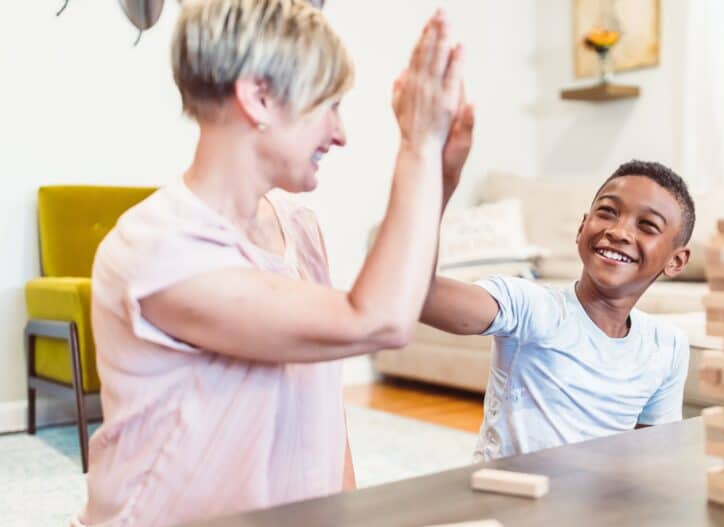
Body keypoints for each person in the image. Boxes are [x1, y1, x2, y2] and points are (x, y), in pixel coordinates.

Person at [76, 1, 474, 525]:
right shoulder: (157, 247)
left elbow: (326, 413)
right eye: (327, 104)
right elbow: (377, 320)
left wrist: (439, 176)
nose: (340, 134)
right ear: (259, 97)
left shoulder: (300, 227)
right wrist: (417, 147)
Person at [421, 160, 695, 461]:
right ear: (581, 227)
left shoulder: (667, 346)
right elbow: (422, 295)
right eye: (607, 212)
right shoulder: (532, 305)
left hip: (593, 504)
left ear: (676, 261)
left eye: (647, 226)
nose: (619, 231)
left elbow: (651, 458)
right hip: (507, 500)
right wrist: (438, 185)